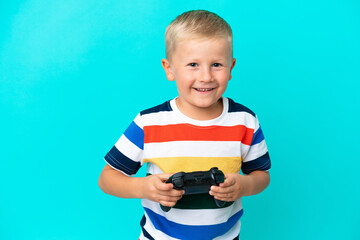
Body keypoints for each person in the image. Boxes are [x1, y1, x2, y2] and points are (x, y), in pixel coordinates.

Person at [98, 9, 271, 240]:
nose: (206, 76)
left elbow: (261, 175)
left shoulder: (245, 121)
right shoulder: (149, 123)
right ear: (169, 68)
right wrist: (144, 187)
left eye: (217, 64)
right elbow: (107, 178)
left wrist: (244, 185)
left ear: (231, 67)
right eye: (193, 64)